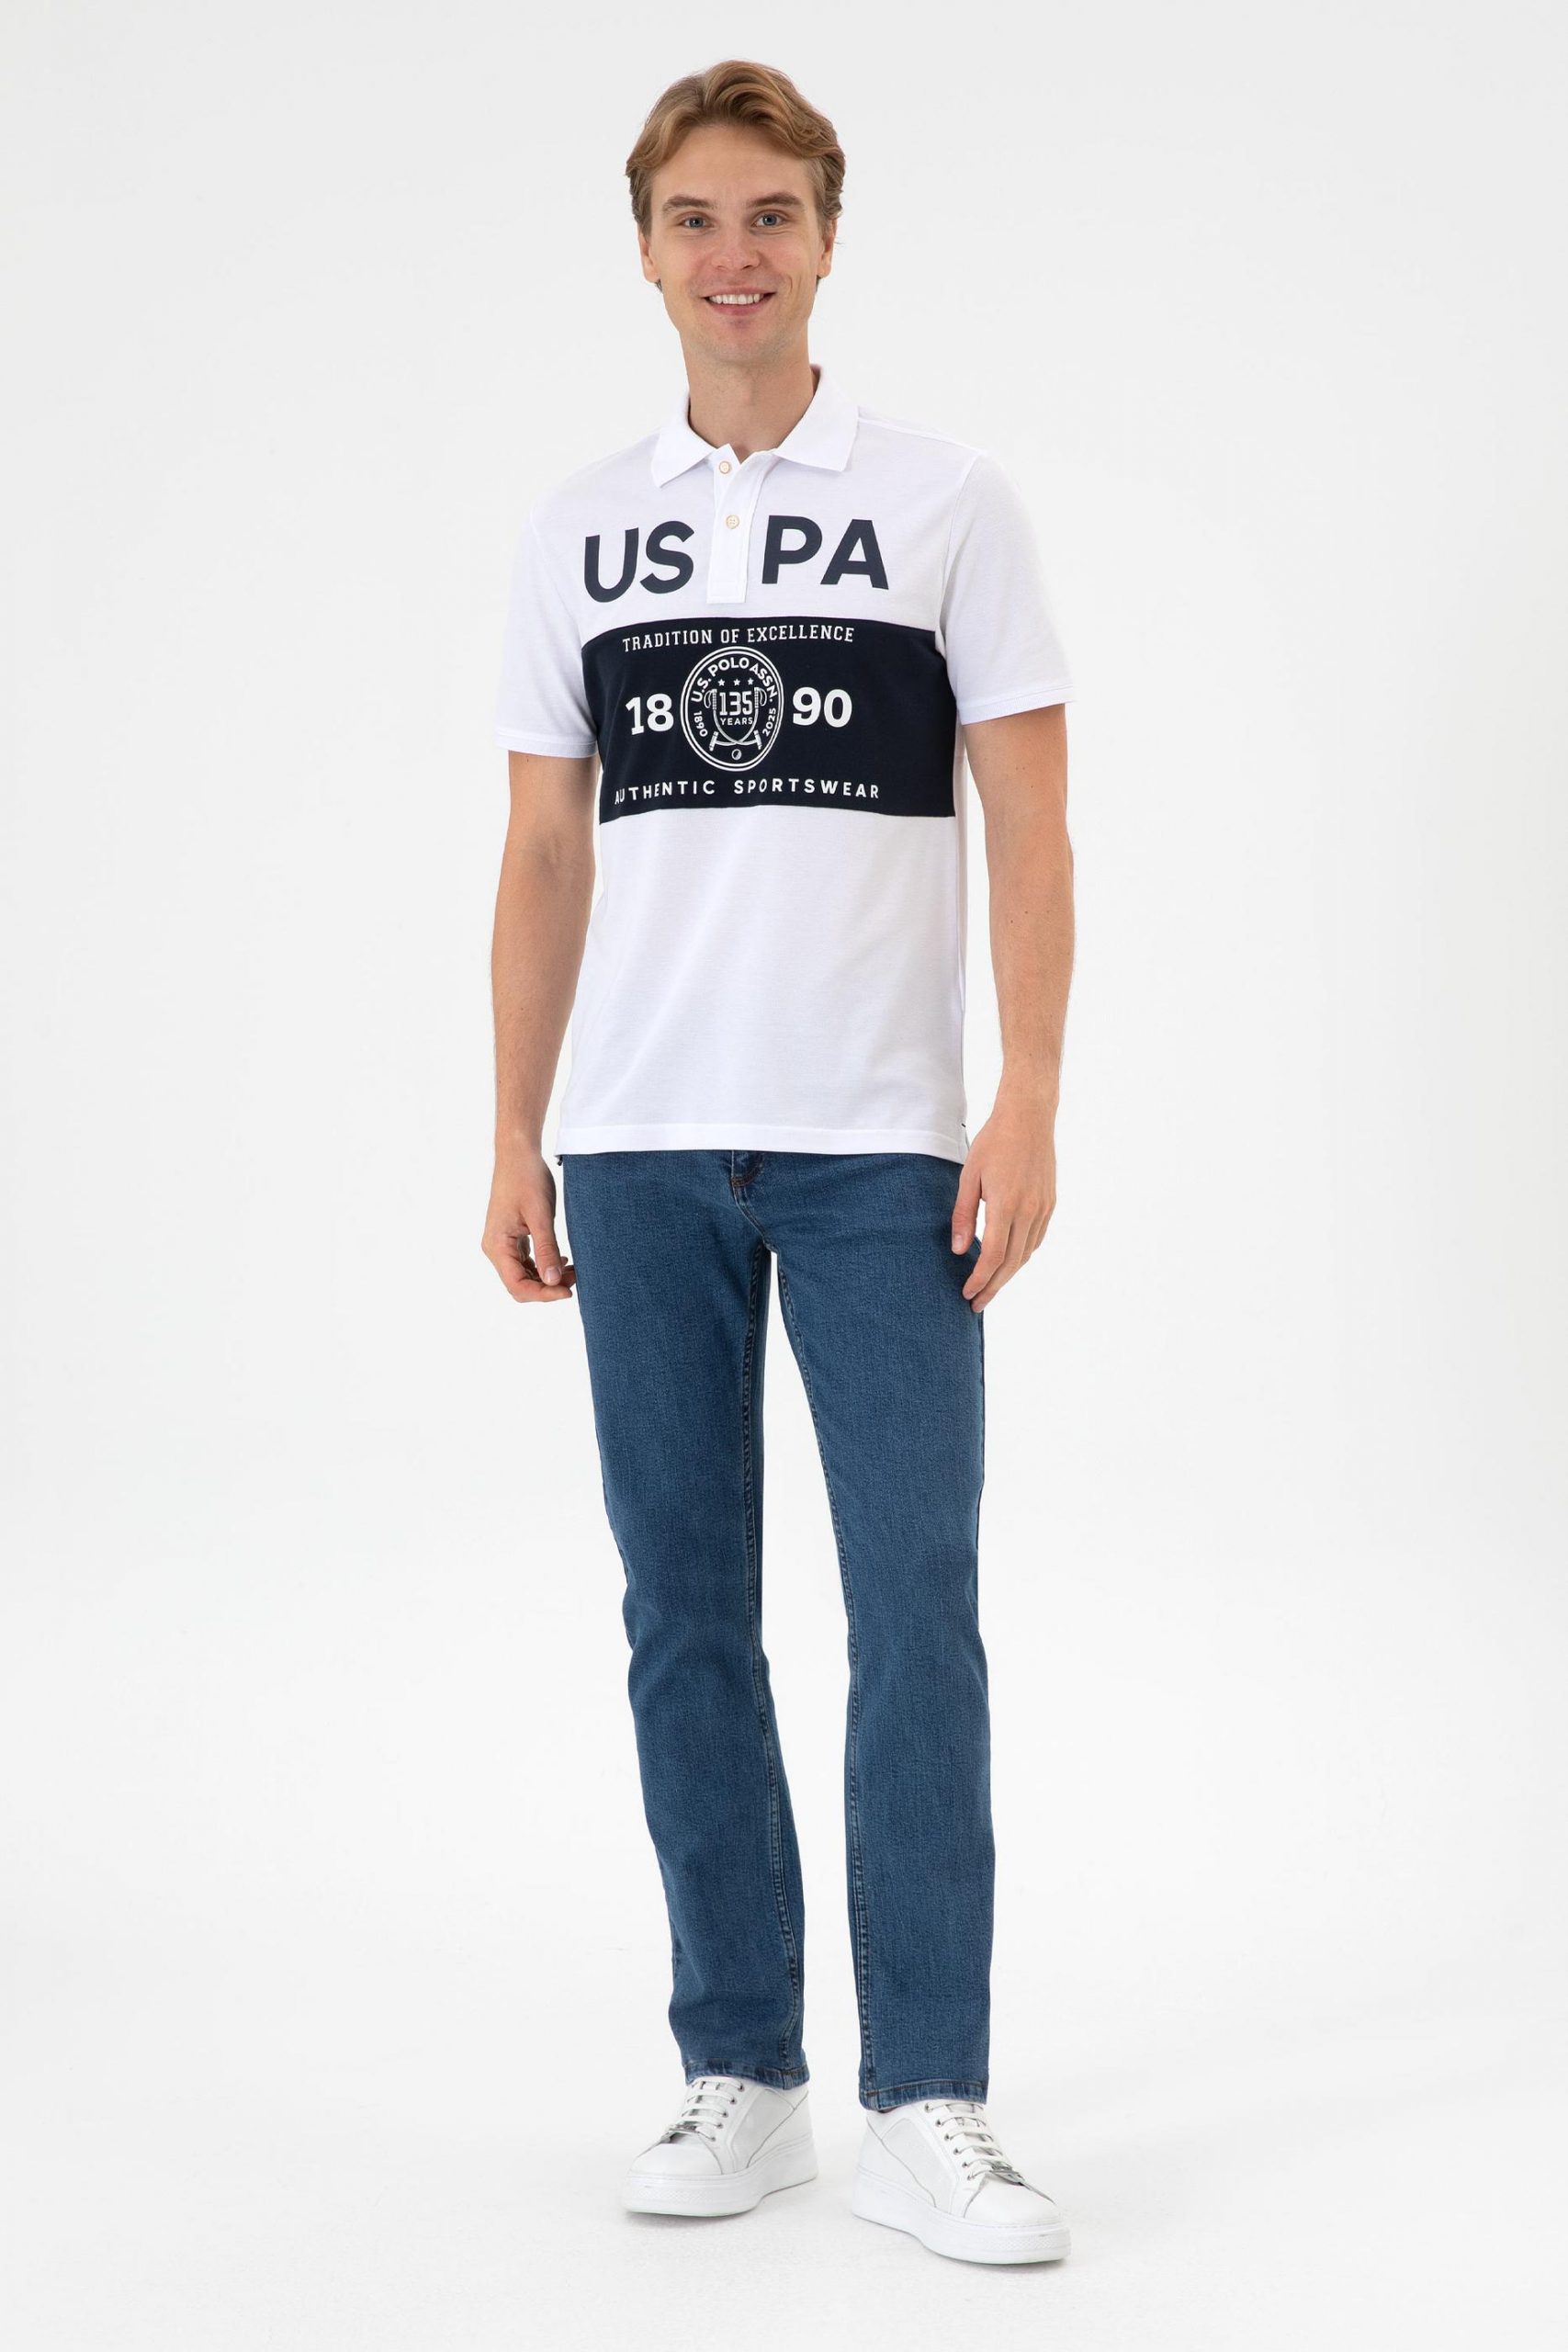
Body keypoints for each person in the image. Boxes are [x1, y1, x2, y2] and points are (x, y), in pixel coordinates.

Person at [484, 58, 1077, 2268]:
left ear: (827, 237)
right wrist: (513, 1122)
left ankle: (928, 2094)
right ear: (643, 247)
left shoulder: (942, 503)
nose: (732, 255)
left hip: (875, 1148)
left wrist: (1026, 1094)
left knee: (913, 1608)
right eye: (694, 218)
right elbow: (544, 847)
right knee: (683, 1613)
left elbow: (1029, 821)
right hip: (638, 1140)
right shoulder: (579, 528)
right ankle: (740, 2066)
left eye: (769, 216)